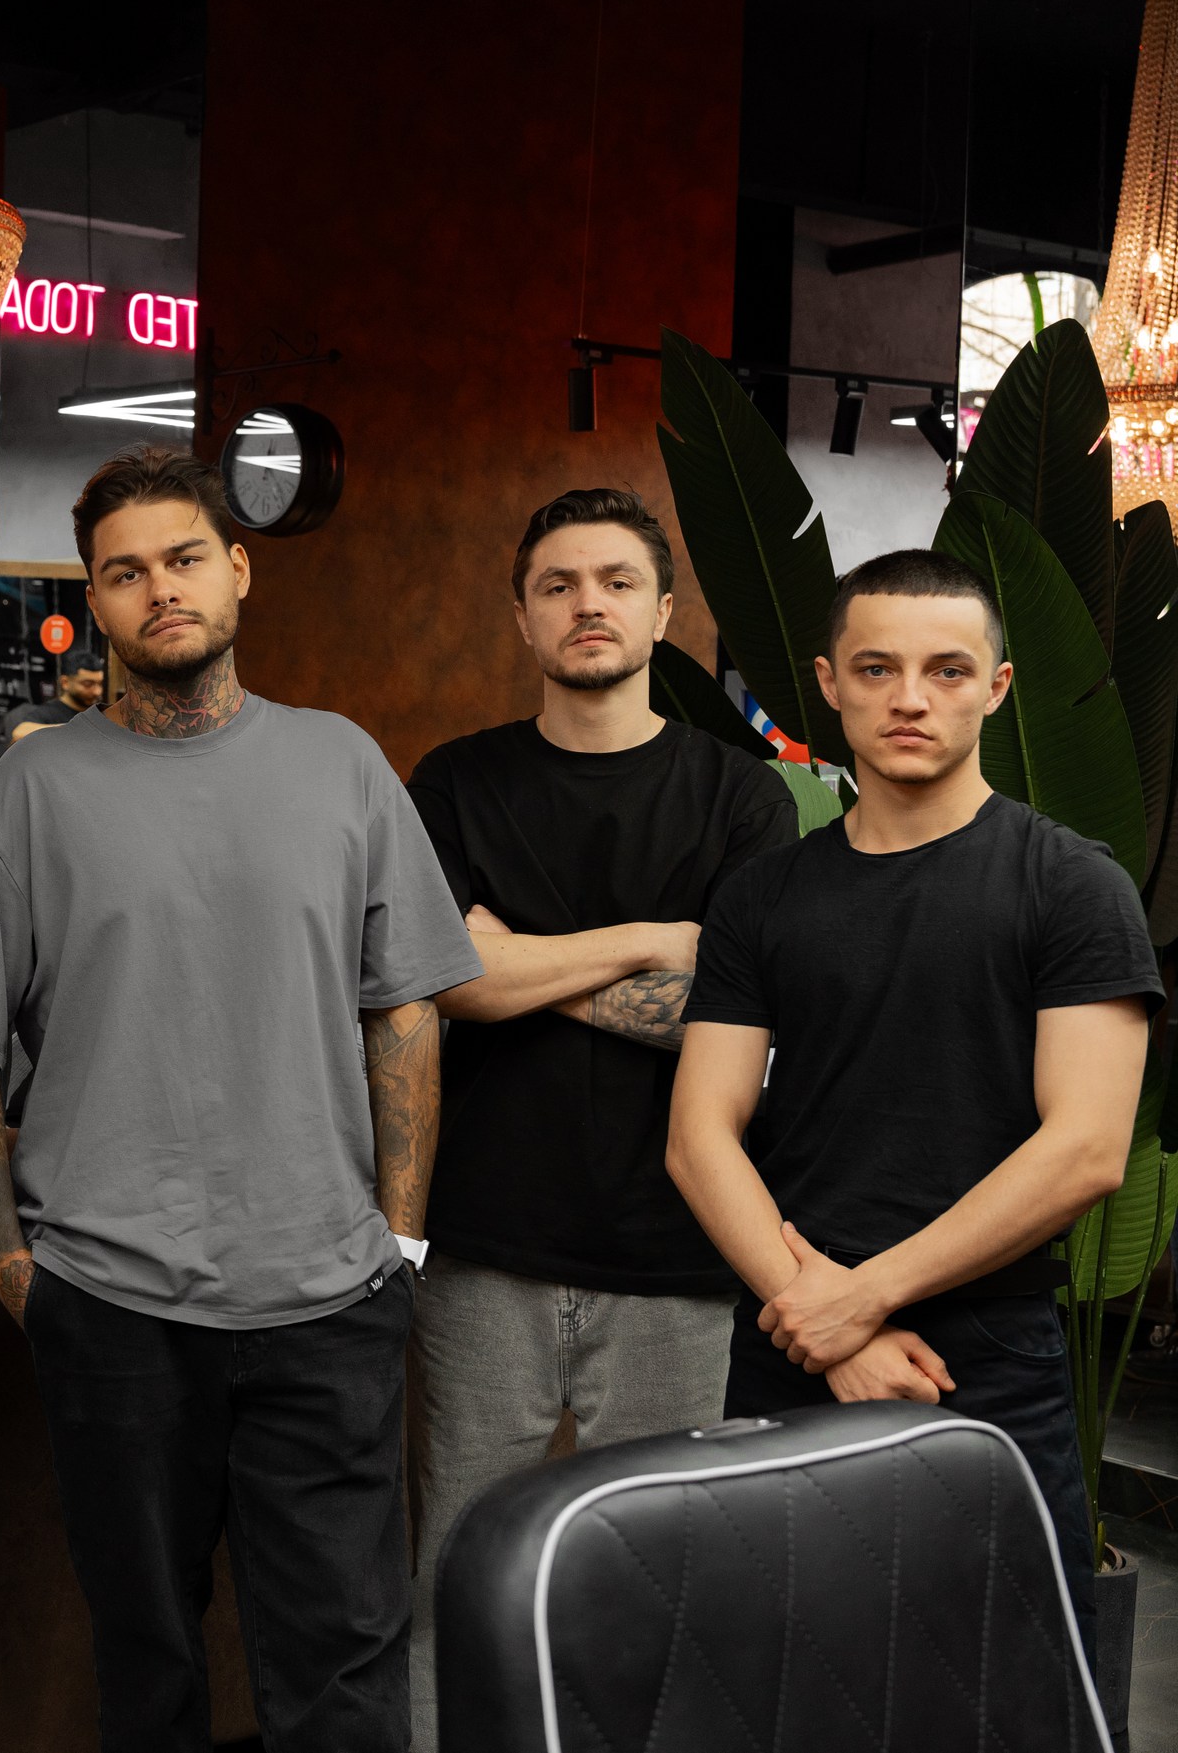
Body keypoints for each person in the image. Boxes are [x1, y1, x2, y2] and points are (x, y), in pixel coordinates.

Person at [0, 446, 480, 1752]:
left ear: (239, 571)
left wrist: (398, 1238)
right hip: (110, 1304)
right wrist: (11, 1264)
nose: (159, 589)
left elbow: (406, 1007)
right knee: (146, 1664)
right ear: (94, 602)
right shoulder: (36, 788)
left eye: (184, 558)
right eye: (124, 572)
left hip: (328, 1299)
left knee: (342, 1669)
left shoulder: (342, 764)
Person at [667, 548, 1157, 1654]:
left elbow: (1086, 1148)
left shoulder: (1070, 884)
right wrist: (825, 1323)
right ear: (828, 683)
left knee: (1019, 1686)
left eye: (947, 670)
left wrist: (863, 1298)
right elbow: (700, 1137)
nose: (909, 698)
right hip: (792, 1335)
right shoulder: (763, 895)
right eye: (877, 667)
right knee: (783, 1678)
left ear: (996, 687)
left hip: (986, 1353)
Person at [402, 488, 799, 1746]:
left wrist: (513, 963)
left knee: (663, 1580)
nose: (589, 605)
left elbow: (735, 1021)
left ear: (662, 611)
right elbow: (441, 982)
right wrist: (651, 939)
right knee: (458, 1573)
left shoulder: (741, 796)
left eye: (618, 582)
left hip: (676, 1255)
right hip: (483, 1250)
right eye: (559, 584)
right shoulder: (455, 781)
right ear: (522, 616)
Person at [1, 647, 103, 742]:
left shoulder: (99, 712)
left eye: (100, 684)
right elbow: (19, 734)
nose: (97, 691)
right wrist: (75, 729)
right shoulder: (48, 713)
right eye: (88, 684)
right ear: (65, 683)